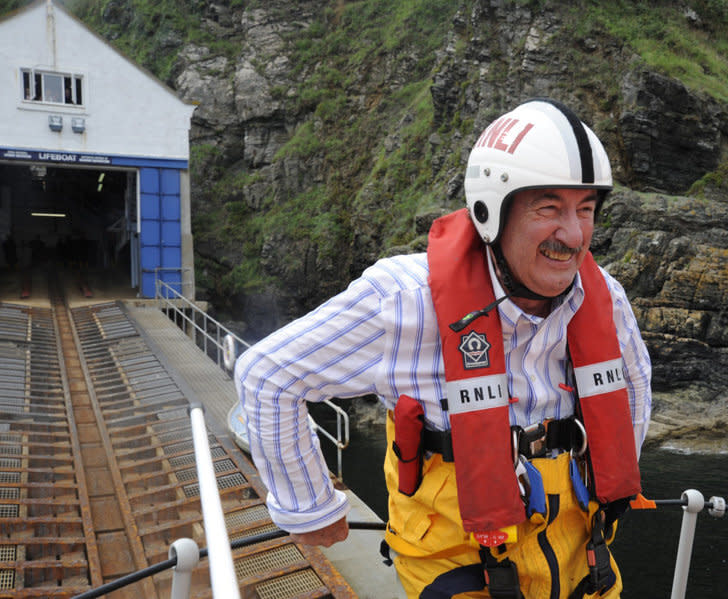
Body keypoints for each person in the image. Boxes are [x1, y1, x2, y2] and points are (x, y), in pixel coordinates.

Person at [235, 98, 652, 598]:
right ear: (490, 211)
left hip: (583, 557)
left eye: (586, 210)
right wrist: (310, 511)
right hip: (459, 564)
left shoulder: (604, 297)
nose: (573, 234)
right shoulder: (405, 300)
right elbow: (267, 376)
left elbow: (634, 391)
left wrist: (609, 476)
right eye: (549, 208)